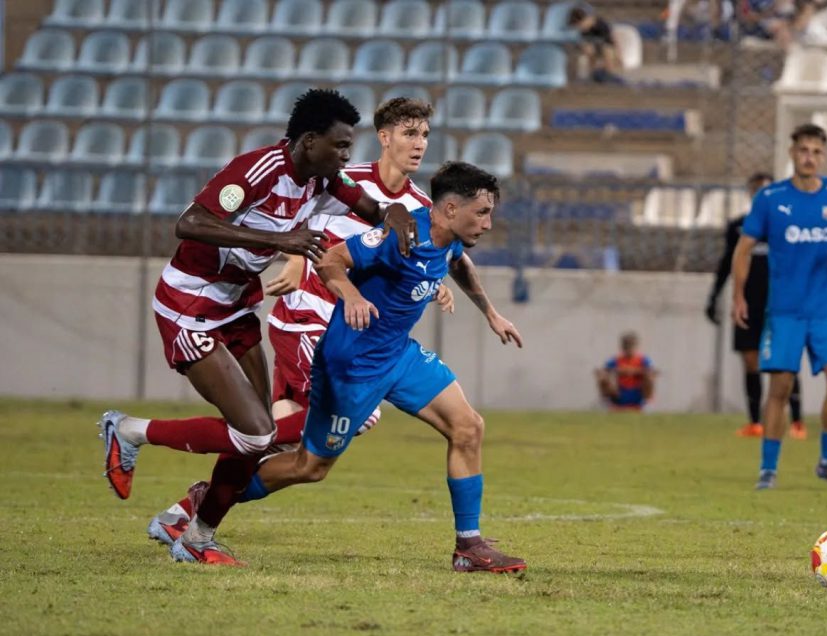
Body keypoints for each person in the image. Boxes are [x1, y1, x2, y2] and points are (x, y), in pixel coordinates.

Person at [102, 98, 445, 547]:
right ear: (310, 141)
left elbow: (366, 205)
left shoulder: (325, 178)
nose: (346, 156)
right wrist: (280, 240)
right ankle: (130, 431)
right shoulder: (258, 170)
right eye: (340, 146)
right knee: (260, 432)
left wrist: (390, 213)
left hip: (238, 305)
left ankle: (196, 535)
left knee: (261, 433)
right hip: (191, 304)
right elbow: (190, 223)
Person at [169, 161, 526, 570]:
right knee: (310, 467)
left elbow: (458, 263)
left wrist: (491, 313)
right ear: (449, 209)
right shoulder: (401, 234)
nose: (488, 223)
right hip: (351, 366)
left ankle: (469, 547)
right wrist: (352, 296)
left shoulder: (452, 238)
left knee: (468, 427)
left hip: (399, 355)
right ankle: (209, 497)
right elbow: (330, 261)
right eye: (481, 212)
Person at [731, 123, 827, 491]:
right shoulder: (771, 198)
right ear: (792, 154)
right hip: (785, 311)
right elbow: (743, 249)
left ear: (824, 156)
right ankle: (768, 469)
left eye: (816, 152)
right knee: (781, 387)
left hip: (826, 309)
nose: (809, 158)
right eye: (803, 150)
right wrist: (738, 295)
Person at [706, 172, 806, 439]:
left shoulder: (789, 227)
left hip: (781, 305)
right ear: (750, 194)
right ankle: (755, 422)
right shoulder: (739, 227)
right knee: (750, 360)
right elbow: (727, 263)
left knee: (785, 362)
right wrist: (714, 296)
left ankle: (797, 422)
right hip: (747, 304)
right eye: (757, 190)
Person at [595, 332, 657, 411]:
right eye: (626, 345)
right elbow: (603, 371)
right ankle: (606, 402)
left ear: (636, 346)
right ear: (622, 346)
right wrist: (618, 371)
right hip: (620, 392)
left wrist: (634, 371)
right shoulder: (615, 360)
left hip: (638, 392)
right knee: (602, 377)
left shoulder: (643, 360)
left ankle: (647, 403)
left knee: (650, 376)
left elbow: (653, 371)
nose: (629, 349)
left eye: (631, 345)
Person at [567, 4, 625, 84]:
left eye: (580, 25)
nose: (580, 27)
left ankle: (609, 75)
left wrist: (619, 55)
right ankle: (593, 74)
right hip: (592, 49)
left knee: (607, 50)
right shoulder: (581, 31)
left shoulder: (601, 26)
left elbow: (613, 41)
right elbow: (578, 42)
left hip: (605, 49)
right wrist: (584, 46)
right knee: (589, 50)